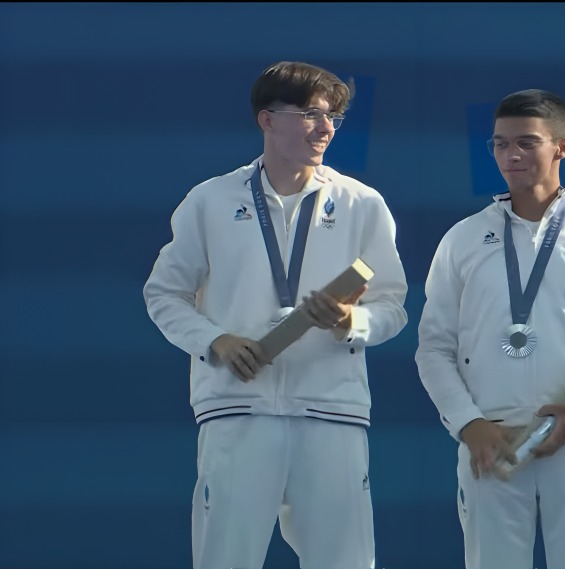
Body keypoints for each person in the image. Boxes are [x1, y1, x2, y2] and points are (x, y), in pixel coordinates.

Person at [143, 61, 408, 569]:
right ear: (267, 119)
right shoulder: (211, 200)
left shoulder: (361, 204)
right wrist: (216, 340)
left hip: (332, 411)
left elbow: (392, 306)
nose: (325, 128)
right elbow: (164, 294)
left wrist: (350, 323)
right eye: (310, 114)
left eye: (332, 118)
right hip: (238, 409)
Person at [415, 89, 565, 569]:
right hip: (491, 444)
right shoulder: (463, 239)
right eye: (501, 144)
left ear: (562, 147)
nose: (512, 155)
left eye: (527, 142)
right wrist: (469, 423)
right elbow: (434, 348)